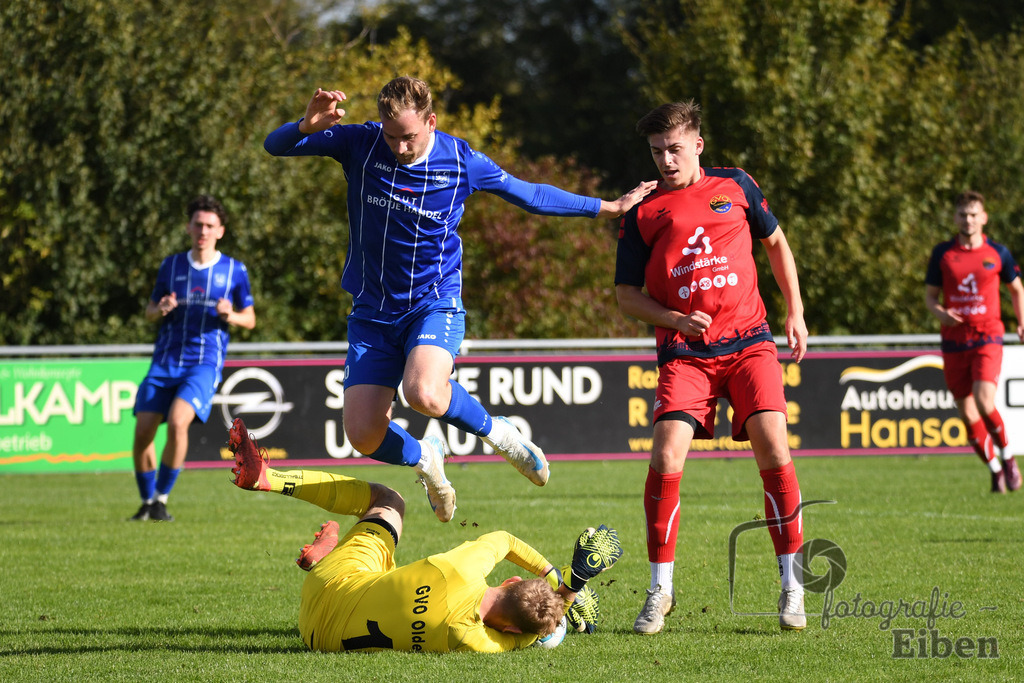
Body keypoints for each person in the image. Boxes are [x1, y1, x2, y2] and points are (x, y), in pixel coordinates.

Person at [264, 76, 657, 523]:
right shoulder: (361, 142)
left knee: (424, 393)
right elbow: (274, 146)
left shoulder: (461, 160)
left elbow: (530, 194)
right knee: (362, 435)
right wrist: (305, 126)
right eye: (392, 136)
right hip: (372, 313)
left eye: (409, 137)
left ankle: (504, 437)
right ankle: (426, 458)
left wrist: (605, 207)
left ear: (431, 122)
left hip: (433, 303)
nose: (400, 147)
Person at [614, 101, 809, 634]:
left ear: (698, 144)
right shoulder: (643, 210)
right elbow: (626, 296)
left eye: (675, 149)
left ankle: (792, 587)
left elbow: (776, 243)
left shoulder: (737, 185)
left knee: (774, 446)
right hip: (686, 352)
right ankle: (660, 590)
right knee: (666, 454)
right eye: (656, 152)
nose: (666, 161)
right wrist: (674, 316)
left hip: (749, 343)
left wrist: (794, 311)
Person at [226, 417, 621, 652]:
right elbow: (528, 639)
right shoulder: (471, 640)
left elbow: (507, 540)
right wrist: (566, 600)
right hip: (316, 636)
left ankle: (269, 478)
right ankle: (330, 555)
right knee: (385, 578)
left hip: (334, 585)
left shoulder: (464, 570)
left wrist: (566, 579)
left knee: (388, 501)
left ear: (513, 580)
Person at [129, 195, 256, 521]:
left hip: (203, 362)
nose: (203, 230)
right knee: (143, 430)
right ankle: (147, 504)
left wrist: (231, 315)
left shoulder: (234, 270)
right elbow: (149, 311)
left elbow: (250, 319)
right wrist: (160, 309)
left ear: (220, 231)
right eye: (198, 224)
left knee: (177, 421)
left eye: (209, 225)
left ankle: (161, 498)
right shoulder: (170, 266)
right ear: (188, 227)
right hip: (165, 360)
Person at [925, 190, 1024, 493]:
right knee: (968, 415)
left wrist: (1021, 323)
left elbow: (1016, 289)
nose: (967, 220)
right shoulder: (942, 253)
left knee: (984, 399)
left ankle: (1008, 458)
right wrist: (941, 313)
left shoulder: (998, 253)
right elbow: (930, 297)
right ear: (955, 218)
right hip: (954, 342)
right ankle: (995, 470)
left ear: (983, 218)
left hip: (987, 336)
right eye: (962, 215)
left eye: (973, 214)